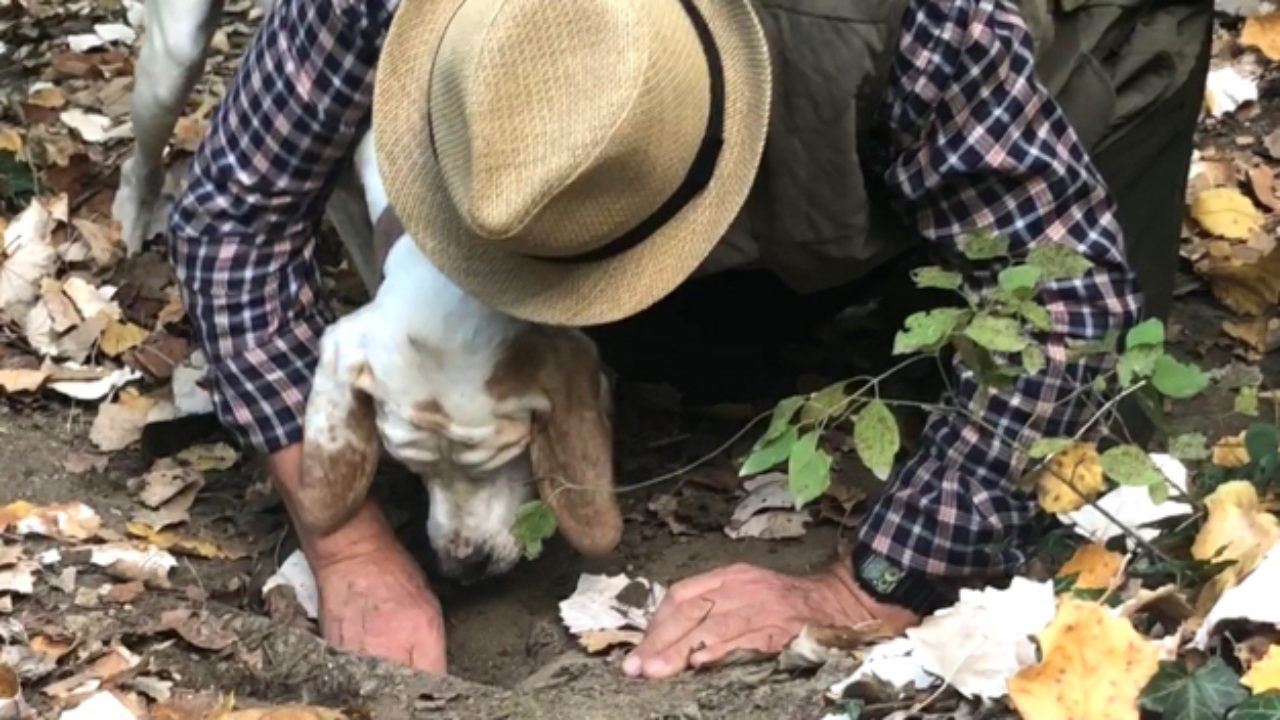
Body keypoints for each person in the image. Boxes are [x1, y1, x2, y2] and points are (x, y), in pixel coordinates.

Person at [167, 0, 1210, 680]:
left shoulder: (931, 30)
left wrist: (860, 590)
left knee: (1099, 460)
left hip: (1086, 56)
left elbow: (1065, 310)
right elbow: (232, 212)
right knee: (700, 364)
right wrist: (343, 539)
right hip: (808, 108)